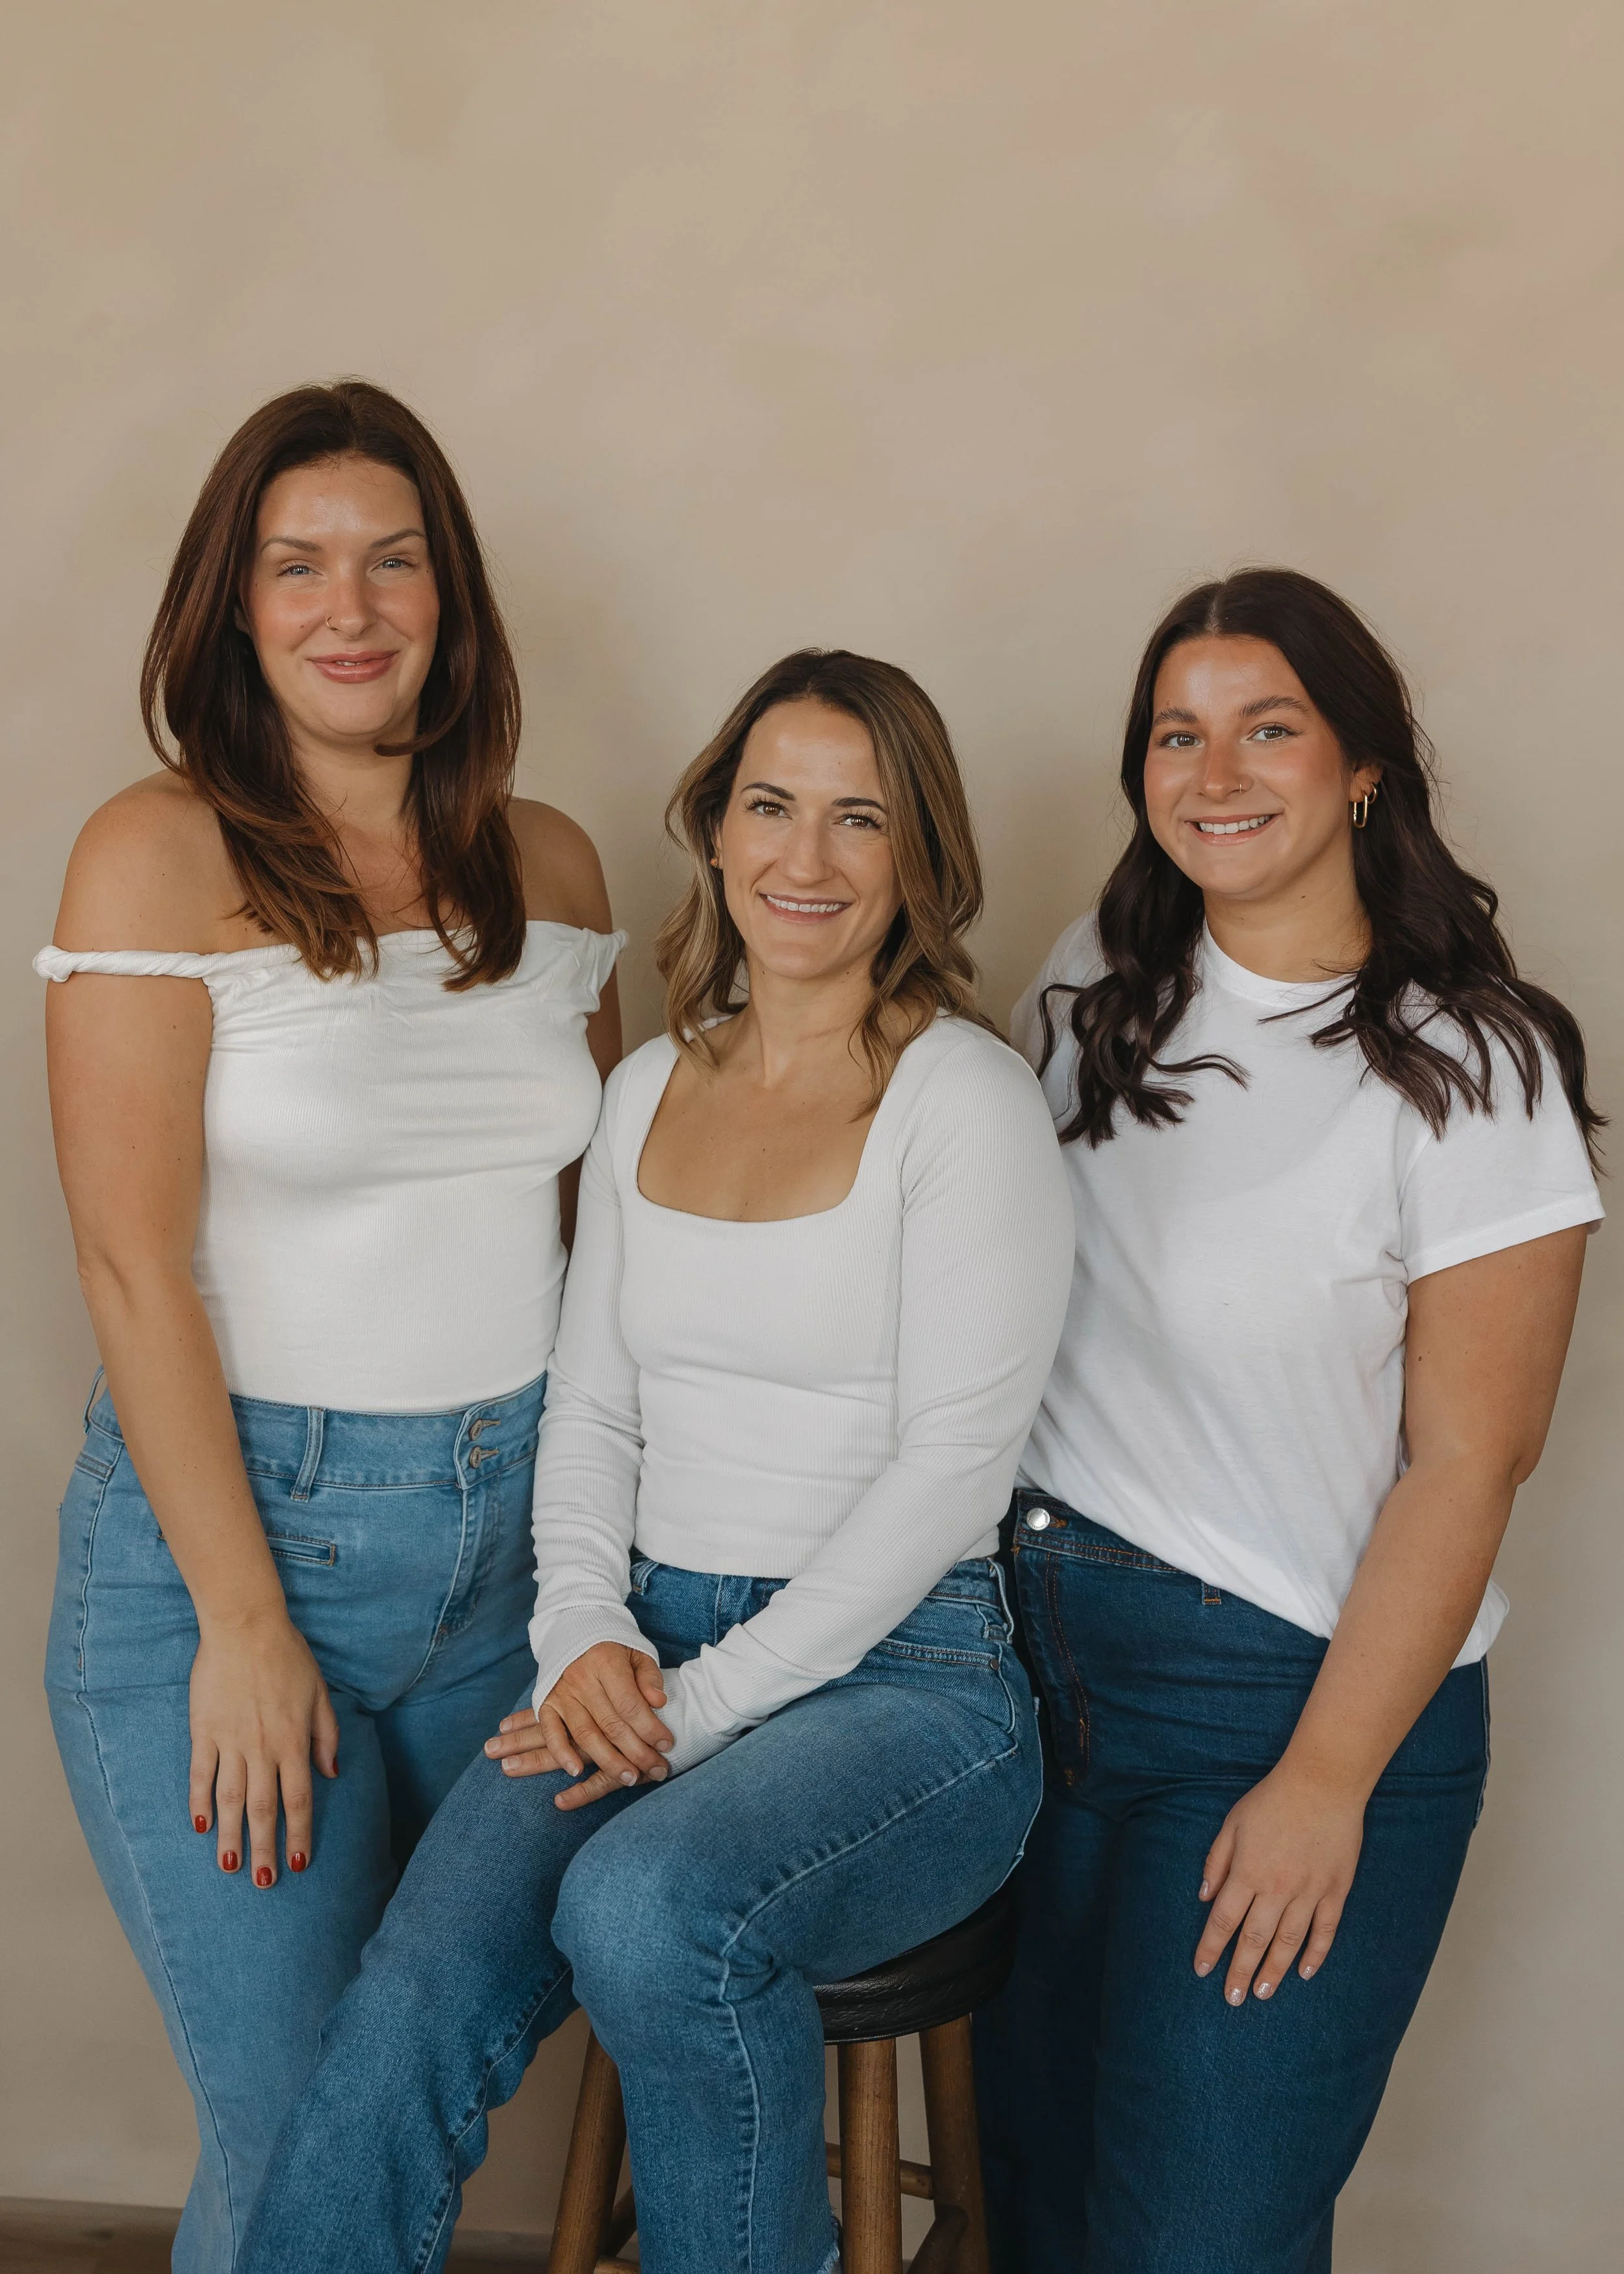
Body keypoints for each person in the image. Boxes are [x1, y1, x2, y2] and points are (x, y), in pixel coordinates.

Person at [235, 648, 1072, 2274]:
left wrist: (690, 1707)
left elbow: (949, 1469)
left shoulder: (961, 1103)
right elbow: (596, 1409)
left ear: (918, 860)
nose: (803, 862)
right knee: (412, 1989)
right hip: (638, 1646)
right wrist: (585, 1636)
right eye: (769, 806)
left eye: (857, 820)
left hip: (909, 1687)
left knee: (644, 1911)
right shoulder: (641, 1091)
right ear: (713, 824)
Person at [38, 381, 622, 2274]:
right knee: (301, 2135)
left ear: (452, 602)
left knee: (396, 2115)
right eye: (296, 565)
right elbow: (132, 1266)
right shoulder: (156, 851)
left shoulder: (551, 866)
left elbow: (592, 1234)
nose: (347, 604)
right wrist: (242, 1622)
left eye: (394, 560)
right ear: (232, 606)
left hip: (505, 1550)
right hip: (238, 1538)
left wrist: (588, 1569)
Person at [973, 568, 1603, 2274]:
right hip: (1030, 1670)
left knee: (1196, 2240)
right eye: (1175, 733)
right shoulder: (1090, 985)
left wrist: (1325, 1774)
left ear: (1361, 769)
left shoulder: (1469, 1066)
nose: (1216, 770)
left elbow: (1472, 1459)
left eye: (1269, 726)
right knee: (1034, 2202)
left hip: (1283, 1697)